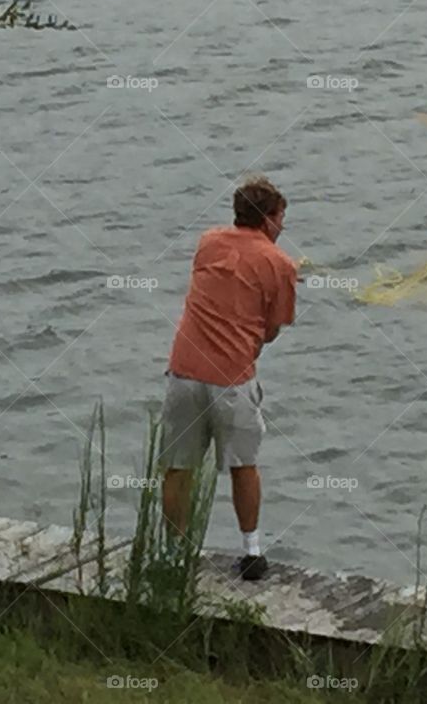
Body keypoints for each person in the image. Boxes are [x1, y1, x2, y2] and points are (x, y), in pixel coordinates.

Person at [160, 175, 296, 581]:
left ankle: (172, 556)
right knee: (244, 464)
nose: (283, 226)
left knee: (178, 467)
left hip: (183, 371)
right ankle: (251, 552)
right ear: (269, 220)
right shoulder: (281, 264)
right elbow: (272, 328)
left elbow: (231, 273)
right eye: (281, 218)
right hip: (232, 378)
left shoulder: (208, 242)